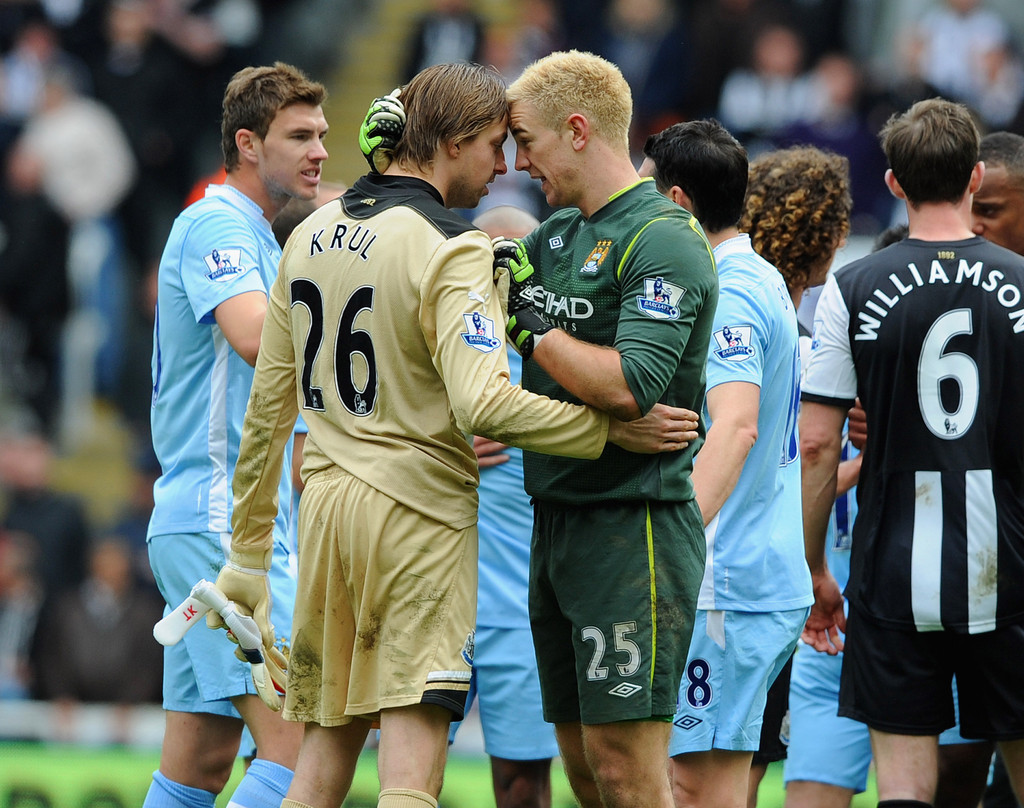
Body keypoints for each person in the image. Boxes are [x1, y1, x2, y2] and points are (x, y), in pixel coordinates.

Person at [215, 62, 699, 808]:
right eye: (494, 145)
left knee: (318, 762)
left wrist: (248, 553)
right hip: (415, 519)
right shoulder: (455, 244)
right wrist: (605, 433)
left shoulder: (310, 232)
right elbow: (487, 406)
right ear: (450, 143)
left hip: (325, 516)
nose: (504, 166)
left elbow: (269, 409)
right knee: (411, 767)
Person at [501, 51, 718, 808]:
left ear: (579, 130)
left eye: (526, 140)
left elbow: (632, 386)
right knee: (584, 763)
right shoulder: (555, 236)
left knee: (626, 765)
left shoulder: (664, 236)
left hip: (634, 527)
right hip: (555, 516)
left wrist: (532, 328)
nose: (518, 161)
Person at [799, 97, 1024, 806]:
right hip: (1009, 568)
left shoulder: (850, 288)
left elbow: (814, 444)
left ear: (892, 182)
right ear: (975, 175)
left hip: (891, 570)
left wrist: (814, 570)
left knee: (903, 786)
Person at [144, 62, 329, 808]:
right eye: (300, 136)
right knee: (298, 750)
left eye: (321, 134)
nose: (320, 150)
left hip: (211, 521)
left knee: (200, 763)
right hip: (221, 522)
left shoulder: (261, 238)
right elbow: (257, 337)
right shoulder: (217, 223)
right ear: (248, 144)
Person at [637, 121, 814, 808]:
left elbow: (736, 427)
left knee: (694, 786)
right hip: (748, 577)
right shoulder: (756, 274)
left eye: (647, 199)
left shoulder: (732, 290)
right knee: (711, 780)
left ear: (677, 203)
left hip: (727, 583)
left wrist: (672, 544)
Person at [450, 204, 559, 808]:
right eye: (489, 254)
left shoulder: (560, 355)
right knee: (411, 773)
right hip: (439, 603)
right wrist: (450, 438)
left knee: (521, 785)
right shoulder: (435, 345)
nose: (503, 269)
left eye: (516, 255)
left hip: (522, 609)